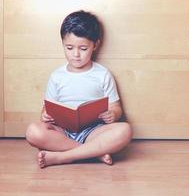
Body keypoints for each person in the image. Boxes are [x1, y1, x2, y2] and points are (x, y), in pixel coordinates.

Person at [25, 10, 132, 168]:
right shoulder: (57, 76)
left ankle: (63, 157)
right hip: (63, 132)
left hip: (94, 132)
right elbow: (46, 109)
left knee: (125, 130)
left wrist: (113, 114)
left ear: (95, 45)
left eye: (83, 49)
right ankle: (94, 153)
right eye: (69, 48)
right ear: (62, 43)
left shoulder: (102, 74)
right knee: (33, 131)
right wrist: (45, 115)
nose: (76, 54)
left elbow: (116, 108)